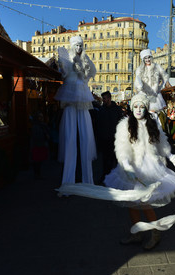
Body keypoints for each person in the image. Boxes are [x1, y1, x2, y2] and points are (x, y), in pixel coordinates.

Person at [103, 93, 175, 250]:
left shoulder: (152, 124)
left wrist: (171, 156)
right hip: (132, 168)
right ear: (131, 108)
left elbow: (162, 143)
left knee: (146, 203)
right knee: (132, 202)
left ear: (146, 108)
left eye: (142, 107)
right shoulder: (124, 125)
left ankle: (155, 233)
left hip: (150, 168)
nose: (138, 110)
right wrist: (126, 166)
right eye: (136, 106)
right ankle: (137, 233)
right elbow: (121, 148)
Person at [54, 35, 97, 184]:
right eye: (76, 45)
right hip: (71, 97)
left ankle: (88, 180)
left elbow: (93, 71)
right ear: (72, 46)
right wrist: (63, 66)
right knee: (70, 138)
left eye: (80, 45)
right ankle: (68, 181)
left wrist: (85, 77)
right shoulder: (66, 59)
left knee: (86, 137)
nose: (79, 48)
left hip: (83, 98)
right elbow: (64, 73)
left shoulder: (86, 60)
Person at [95, 91, 124, 182]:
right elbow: (98, 124)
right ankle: (105, 177)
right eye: (103, 98)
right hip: (105, 139)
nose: (103, 100)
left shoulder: (117, 109)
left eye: (105, 98)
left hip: (116, 139)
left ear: (109, 98)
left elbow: (122, 123)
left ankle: (117, 178)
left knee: (116, 159)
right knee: (105, 160)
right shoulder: (101, 110)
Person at [134, 49, 169, 114]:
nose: (147, 60)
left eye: (149, 57)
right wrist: (140, 87)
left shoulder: (157, 67)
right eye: (145, 58)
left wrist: (161, 86)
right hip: (144, 94)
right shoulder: (139, 69)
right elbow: (137, 81)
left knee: (155, 113)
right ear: (143, 59)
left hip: (155, 94)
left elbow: (165, 76)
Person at [30, 112, 49, 179]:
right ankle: (36, 173)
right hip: (36, 144)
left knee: (40, 160)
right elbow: (35, 136)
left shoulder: (43, 125)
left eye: (42, 117)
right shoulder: (35, 126)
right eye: (39, 117)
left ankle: (38, 173)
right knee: (36, 160)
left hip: (42, 144)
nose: (41, 118)